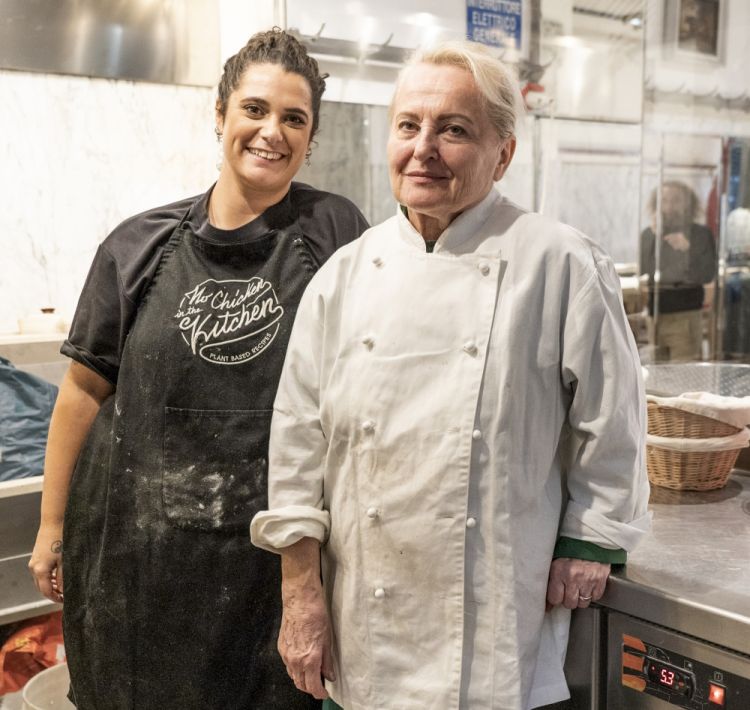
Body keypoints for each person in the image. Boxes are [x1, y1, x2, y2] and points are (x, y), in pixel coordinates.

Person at [250, 40, 651, 710]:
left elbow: (613, 419)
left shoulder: (559, 263)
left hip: (494, 633)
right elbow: (296, 451)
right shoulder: (343, 277)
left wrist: (596, 537)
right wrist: (300, 598)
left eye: (454, 130)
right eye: (408, 126)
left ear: (504, 152)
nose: (424, 148)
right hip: (366, 631)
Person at [28, 29, 368, 709]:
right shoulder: (137, 246)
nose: (271, 131)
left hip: (272, 571)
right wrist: (50, 526)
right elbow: (83, 393)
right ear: (220, 115)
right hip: (139, 565)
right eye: (255, 109)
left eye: (293, 118)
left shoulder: (335, 232)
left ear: (311, 136)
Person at [639, 180, 717, 361]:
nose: (669, 206)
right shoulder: (649, 234)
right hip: (655, 315)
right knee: (657, 377)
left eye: (676, 200)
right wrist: (654, 239)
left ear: (688, 204)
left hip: (685, 316)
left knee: (684, 375)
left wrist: (688, 250)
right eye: (664, 200)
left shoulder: (700, 234)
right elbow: (644, 270)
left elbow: (707, 274)